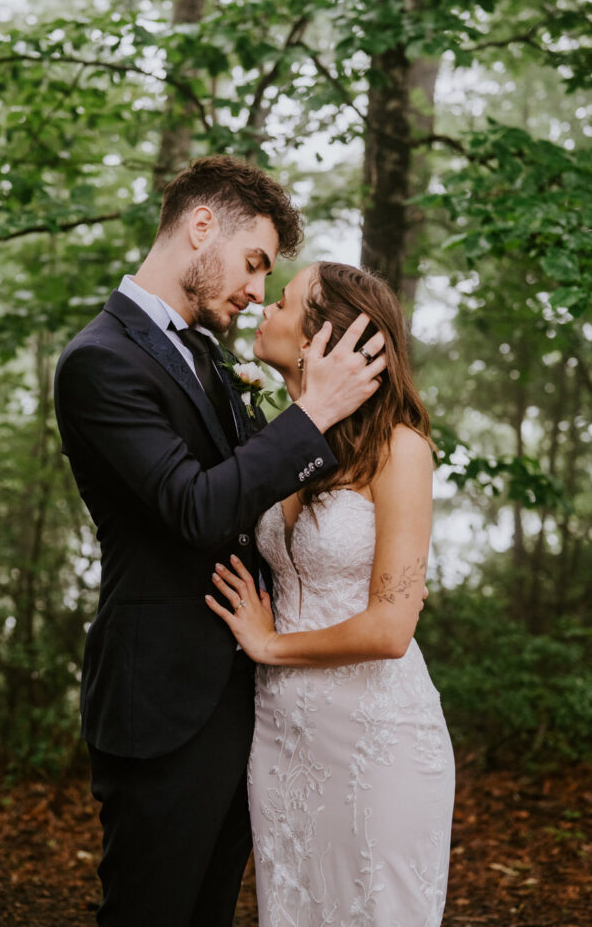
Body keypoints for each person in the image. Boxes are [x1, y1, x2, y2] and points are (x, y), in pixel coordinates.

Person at [53, 158, 387, 927]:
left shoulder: (204, 350)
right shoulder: (100, 362)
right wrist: (314, 412)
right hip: (161, 698)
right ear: (201, 226)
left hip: (248, 696)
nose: (256, 290)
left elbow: (257, 498)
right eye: (253, 262)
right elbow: (198, 508)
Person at [207, 261, 455, 927]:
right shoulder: (279, 447)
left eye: (282, 303)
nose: (264, 307)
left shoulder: (399, 450)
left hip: (378, 739)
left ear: (326, 336)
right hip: (283, 737)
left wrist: (267, 643)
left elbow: (389, 630)